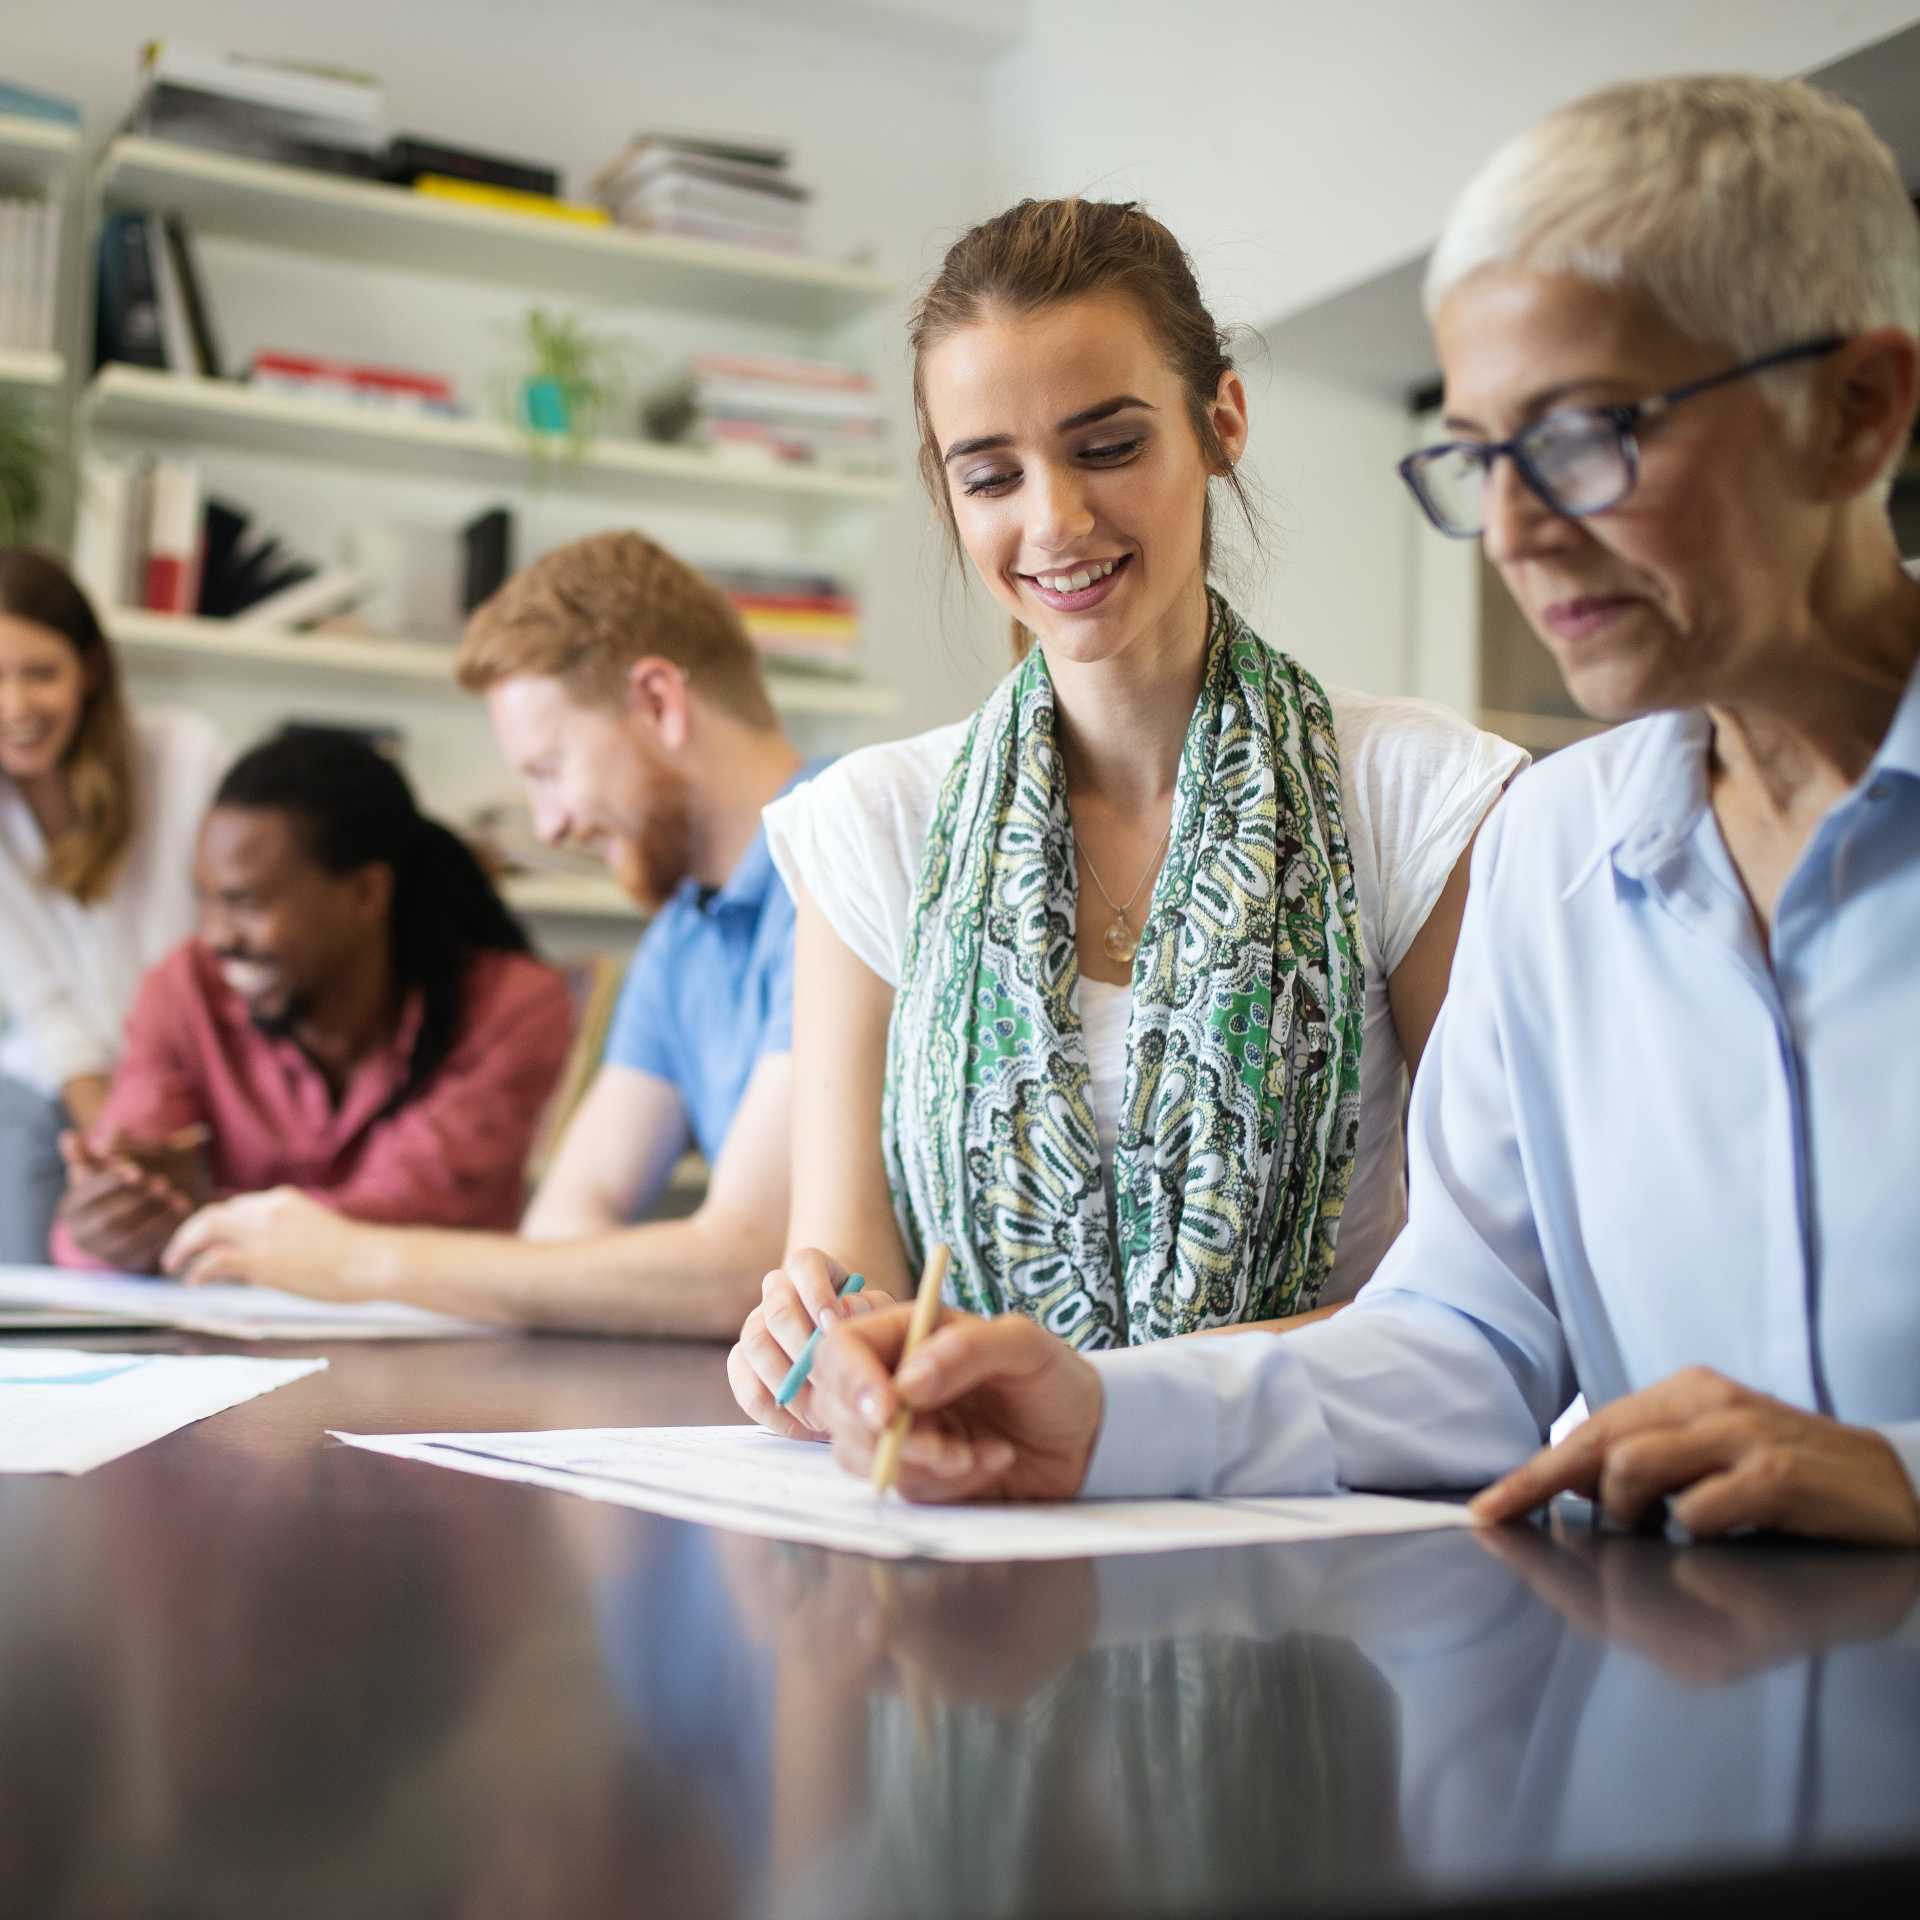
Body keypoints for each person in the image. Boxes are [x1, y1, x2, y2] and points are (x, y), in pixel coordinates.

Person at [793, 77, 1920, 1548]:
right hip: (1686, 1725)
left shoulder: (1444, 813)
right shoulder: (1553, 853)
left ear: (1857, 413)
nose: (1515, 531)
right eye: (1481, 458)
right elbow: (1470, 1341)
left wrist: (1898, 1474)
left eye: (1585, 438)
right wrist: (1103, 1409)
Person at [728, 196, 1526, 1433]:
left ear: (1222, 424)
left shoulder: (1416, 797)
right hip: (972, 1537)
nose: (1053, 520)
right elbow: (847, 1283)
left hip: (1315, 1534)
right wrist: (812, 1355)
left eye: (1106, 448)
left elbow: (1488, 1302)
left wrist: (1101, 1411)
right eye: (990, 474)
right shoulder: (871, 825)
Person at [160, 532, 816, 1336]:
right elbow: (564, 1231)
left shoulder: (841, 858)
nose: (548, 825)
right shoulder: (683, 935)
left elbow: (745, 1265)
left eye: (547, 770)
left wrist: (358, 1261)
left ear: (657, 703)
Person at [53, 728, 572, 1272]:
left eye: (245, 902)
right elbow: (90, 1230)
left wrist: (198, 1216)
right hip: (230, 1343)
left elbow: (410, 1207)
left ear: (365, 893)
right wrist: (109, 1214)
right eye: (204, 900)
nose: (216, 936)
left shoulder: (510, 1004)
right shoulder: (185, 988)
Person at [0, 550, 228, 1264]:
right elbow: (47, 1012)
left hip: (196, 1068)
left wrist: (154, 1118)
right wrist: (112, 1151)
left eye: (40, 673)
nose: (16, 707)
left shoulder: (186, 757)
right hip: (63, 1093)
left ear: (90, 670)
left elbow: (226, 943)